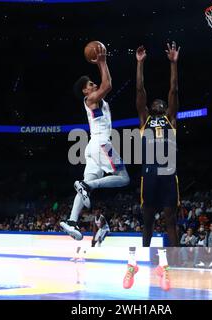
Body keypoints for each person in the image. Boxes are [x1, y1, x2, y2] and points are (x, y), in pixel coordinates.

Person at [123, 42, 181, 291]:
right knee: (147, 220)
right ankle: (145, 261)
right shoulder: (144, 119)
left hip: (168, 173)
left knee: (170, 219)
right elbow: (139, 89)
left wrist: (173, 63)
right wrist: (139, 63)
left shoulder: (171, 118)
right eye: (154, 103)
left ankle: (176, 264)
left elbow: (174, 90)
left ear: (166, 109)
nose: (158, 103)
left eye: (162, 103)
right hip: (149, 173)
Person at [61, 44, 130, 240]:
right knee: (123, 178)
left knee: (86, 183)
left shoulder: (94, 100)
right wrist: (102, 62)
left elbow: (105, 86)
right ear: (85, 91)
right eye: (90, 84)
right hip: (101, 144)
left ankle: (72, 221)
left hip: (92, 146)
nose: (93, 85)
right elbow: (107, 85)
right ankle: (88, 186)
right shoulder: (91, 98)